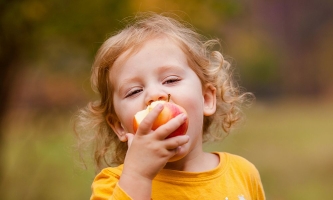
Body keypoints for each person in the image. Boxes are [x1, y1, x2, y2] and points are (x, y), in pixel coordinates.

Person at [75, 12, 265, 200]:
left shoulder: (242, 174)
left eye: (171, 80)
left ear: (206, 99)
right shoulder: (113, 185)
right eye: (134, 91)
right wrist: (138, 176)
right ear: (118, 126)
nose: (154, 95)